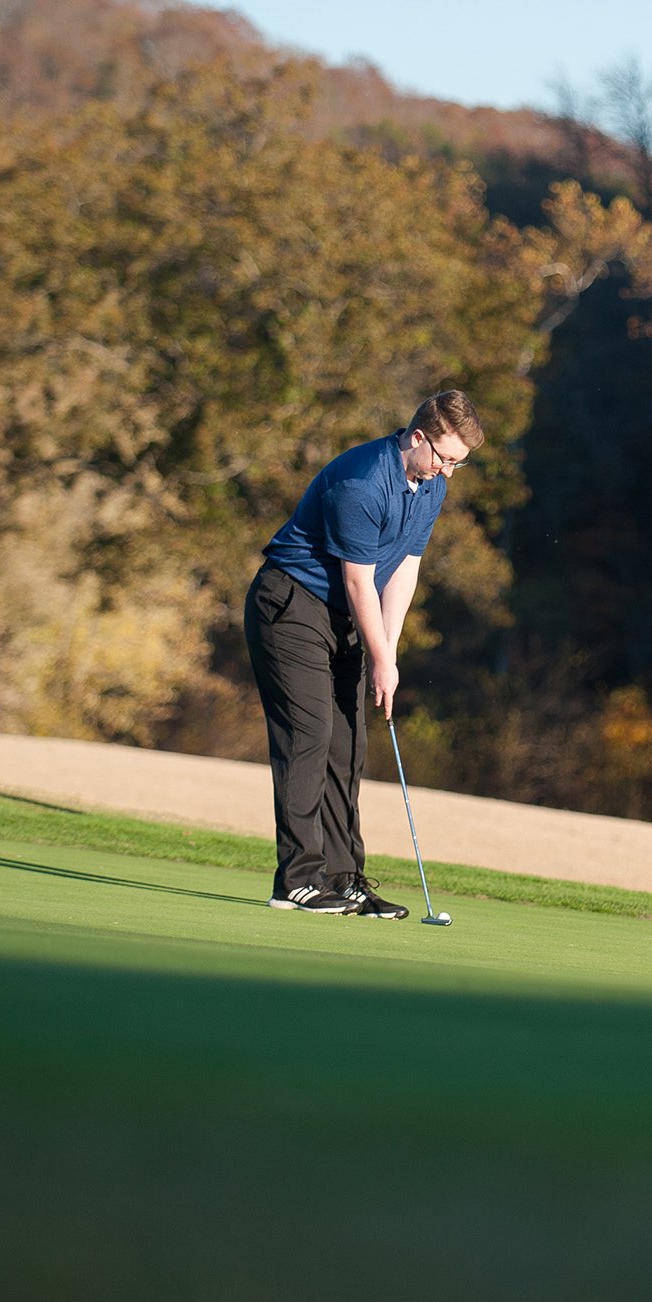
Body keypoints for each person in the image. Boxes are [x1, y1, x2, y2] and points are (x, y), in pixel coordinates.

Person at [245, 391, 482, 917]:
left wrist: (388, 652)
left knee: (347, 748)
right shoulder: (361, 482)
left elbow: (404, 569)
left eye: (458, 464)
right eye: (444, 458)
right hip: (290, 606)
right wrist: (379, 655)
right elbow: (358, 580)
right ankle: (298, 880)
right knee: (309, 738)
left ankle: (344, 877)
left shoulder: (429, 487)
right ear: (418, 437)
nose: (448, 472)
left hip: (346, 620)